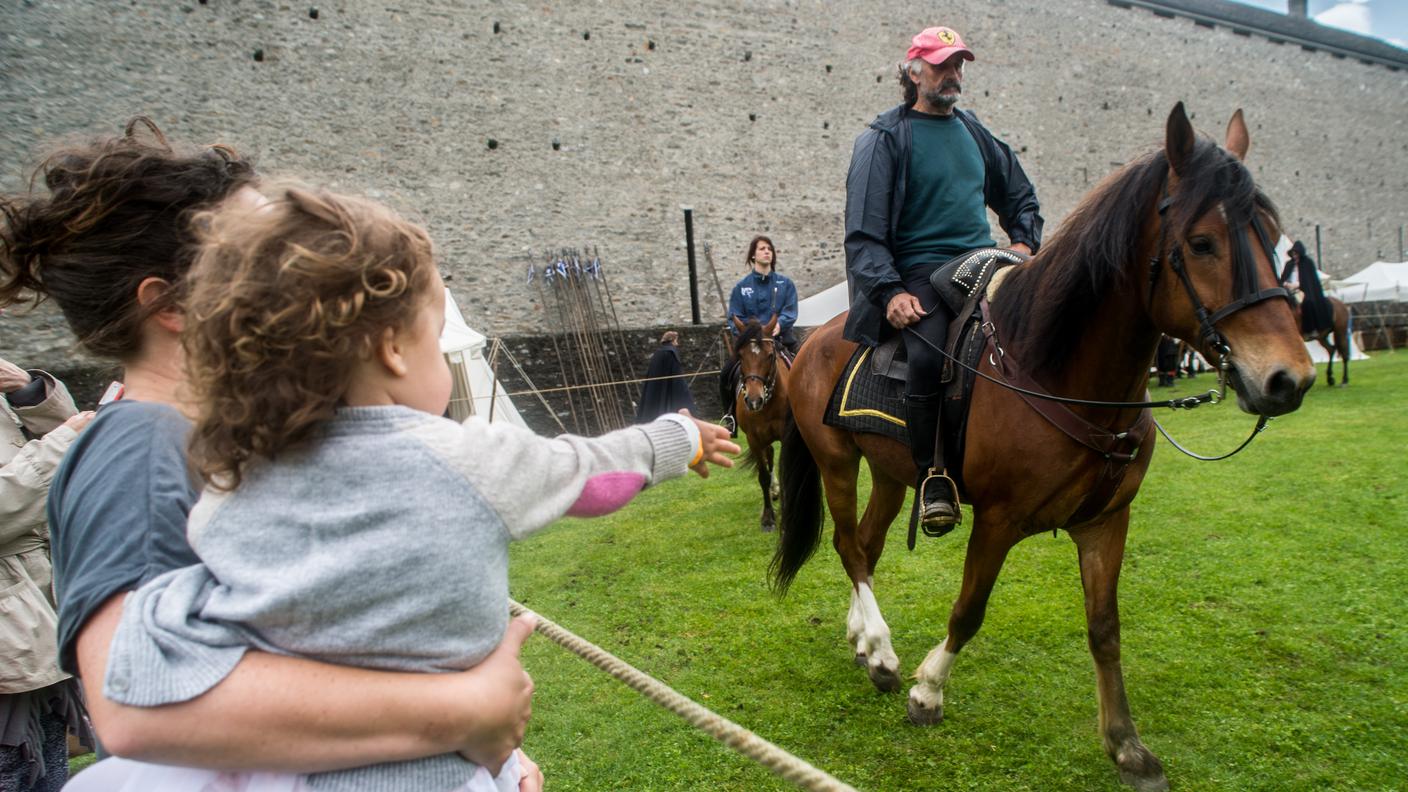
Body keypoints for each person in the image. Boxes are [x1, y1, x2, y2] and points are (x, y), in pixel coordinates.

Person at [66, 185, 735, 791]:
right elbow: (591, 474)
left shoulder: (232, 483)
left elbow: (148, 658)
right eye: (435, 338)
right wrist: (678, 439)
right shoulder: (470, 459)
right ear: (391, 348)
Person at [0, 118, 543, 790]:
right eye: (270, 257)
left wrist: (480, 757)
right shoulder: (139, 447)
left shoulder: (241, 443)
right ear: (171, 304)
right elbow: (136, 705)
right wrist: (463, 711)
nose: (307, 274)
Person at [843, 25, 1043, 531]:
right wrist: (890, 292)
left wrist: (1022, 245)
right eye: (940, 64)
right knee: (931, 353)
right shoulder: (885, 138)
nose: (952, 73)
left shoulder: (975, 132)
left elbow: (1020, 196)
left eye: (957, 64)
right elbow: (863, 234)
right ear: (913, 72)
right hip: (920, 273)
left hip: (987, 263)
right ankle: (934, 475)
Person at [0, 359, 94, 792]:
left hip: (33, 617)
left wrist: (28, 394)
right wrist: (62, 444)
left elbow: (82, 459)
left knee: (44, 769)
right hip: (12, 626)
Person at [718, 235, 798, 435]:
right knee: (726, 374)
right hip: (751, 345)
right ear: (753, 255)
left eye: (769, 248)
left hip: (781, 341)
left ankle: (810, 415)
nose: (767, 251)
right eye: (762, 248)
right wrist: (748, 335)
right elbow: (734, 316)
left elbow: (790, 310)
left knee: (807, 368)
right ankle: (731, 417)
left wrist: (780, 324)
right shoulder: (741, 288)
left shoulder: (785, 284)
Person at [636, 330, 697, 422]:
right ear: (672, 340)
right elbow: (676, 376)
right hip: (669, 388)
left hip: (656, 387)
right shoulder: (671, 353)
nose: (677, 343)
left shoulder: (658, 352)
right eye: (676, 340)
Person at [1280, 240, 1333, 337]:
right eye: (1293, 254)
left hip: (1303, 290)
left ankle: (1310, 329)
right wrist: (1285, 283)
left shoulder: (1307, 263)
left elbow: (1309, 281)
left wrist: (1297, 285)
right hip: (1288, 290)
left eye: (1296, 253)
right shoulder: (1289, 264)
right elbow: (1283, 277)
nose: (1295, 256)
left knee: (1308, 302)